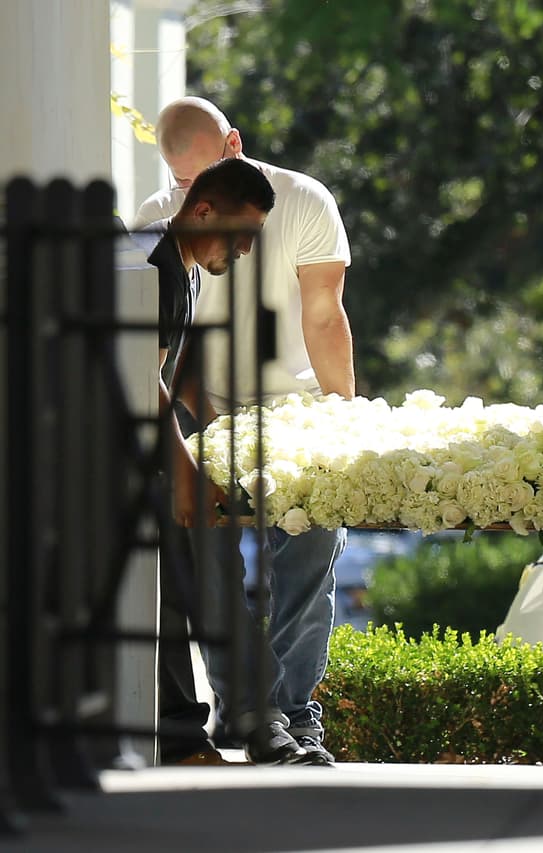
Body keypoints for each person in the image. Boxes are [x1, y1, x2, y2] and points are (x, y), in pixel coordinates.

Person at [133, 96, 355, 766]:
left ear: (234, 148)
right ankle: (245, 720)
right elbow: (156, 373)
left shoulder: (304, 200)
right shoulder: (156, 246)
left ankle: (283, 715)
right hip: (196, 422)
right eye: (180, 186)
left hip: (298, 409)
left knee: (305, 555)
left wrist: (346, 422)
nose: (246, 248)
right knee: (201, 568)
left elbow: (324, 317)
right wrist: (188, 457)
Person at [131, 157, 275, 765]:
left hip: (153, 455)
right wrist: (189, 472)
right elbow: (145, 377)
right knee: (165, 597)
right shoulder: (158, 266)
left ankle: (190, 732)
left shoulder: (186, 269)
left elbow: (176, 371)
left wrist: (220, 429)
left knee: (173, 592)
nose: (244, 249)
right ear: (204, 210)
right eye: (240, 232)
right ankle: (182, 739)